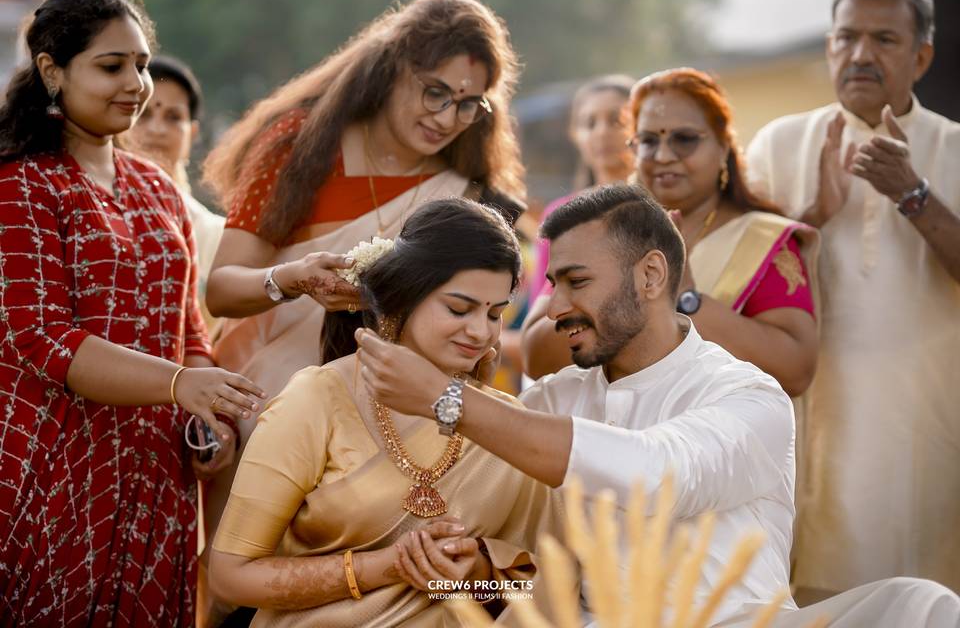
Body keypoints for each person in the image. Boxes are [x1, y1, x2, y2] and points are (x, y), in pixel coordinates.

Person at [355, 184, 960, 627]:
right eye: (551, 285)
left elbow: (656, 474)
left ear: (650, 276)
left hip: (737, 624)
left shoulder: (747, 395)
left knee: (919, 606)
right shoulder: (553, 399)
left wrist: (448, 398)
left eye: (576, 282)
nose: (554, 306)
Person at [199, 0, 527, 578]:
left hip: (402, 407)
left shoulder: (467, 185)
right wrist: (291, 280)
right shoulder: (302, 146)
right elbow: (221, 289)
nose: (447, 119)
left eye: (468, 104)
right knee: (246, 569)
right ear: (392, 66)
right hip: (273, 390)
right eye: (435, 92)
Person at [0, 0, 263, 625]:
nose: (136, 84)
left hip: (158, 483)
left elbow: (188, 330)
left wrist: (212, 423)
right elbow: (42, 340)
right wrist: (180, 385)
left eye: (142, 64)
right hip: (55, 471)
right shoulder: (21, 183)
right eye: (112, 66)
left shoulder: (158, 190)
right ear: (52, 71)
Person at [209, 199, 562, 627]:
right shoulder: (319, 400)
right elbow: (230, 576)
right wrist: (388, 567)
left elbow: (540, 585)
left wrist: (478, 573)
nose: (480, 331)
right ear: (402, 298)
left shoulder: (502, 421)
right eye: (458, 308)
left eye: (495, 313)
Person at [745, 0, 960, 598]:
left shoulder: (955, 147)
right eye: (847, 38)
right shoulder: (777, 145)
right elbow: (728, 292)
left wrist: (912, 192)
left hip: (930, 428)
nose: (861, 54)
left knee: (921, 596)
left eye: (884, 40)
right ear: (829, 45)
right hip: (808, 426)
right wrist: (811, 214)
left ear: (921, 59)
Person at [524, 69, 820, 400]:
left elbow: (795, 371)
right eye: (649, 141)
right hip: (608, 435)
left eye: (685, 139)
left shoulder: (764, 240)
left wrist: (685, 300)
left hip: (715, 439)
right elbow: (536, 359)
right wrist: (607, 296)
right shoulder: (592, 230)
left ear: (723, 147)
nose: (664, 155)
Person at [522, 75, 634, 378]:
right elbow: (543, 308)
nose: (602, 133)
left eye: (617, 120)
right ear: (575, 134)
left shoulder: (658, 210)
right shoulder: (559, 215)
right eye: (589, 123)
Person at [126, 54, 225, 335]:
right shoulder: (91, 211)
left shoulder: (216, 235)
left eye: (173, 117)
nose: (156, 130)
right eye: (142, 114)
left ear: (192, 134)